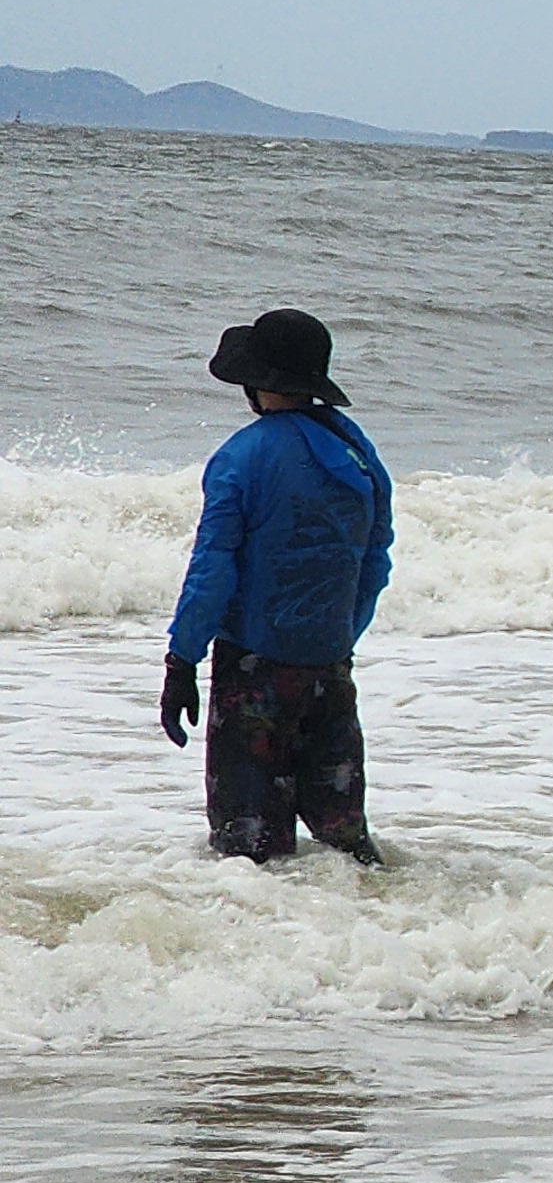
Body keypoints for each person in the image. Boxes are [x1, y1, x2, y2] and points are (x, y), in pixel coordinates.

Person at [162, 308, 395, 864]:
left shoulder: (241, 457)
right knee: (347, 845)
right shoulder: (358, 452)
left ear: (256, 383)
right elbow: (374, 563)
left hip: (254, 670)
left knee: (247, 853)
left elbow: (212, 569)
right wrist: (336, 640)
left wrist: (181, 661)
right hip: (331, 669)